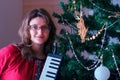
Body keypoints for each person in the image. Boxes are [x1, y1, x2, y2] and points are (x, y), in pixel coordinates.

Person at [0, 8, 56, 80]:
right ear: (27, 30)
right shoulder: (11, 52)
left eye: (44, 27)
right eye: (34, 27)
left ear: (50, 31)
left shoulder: (52, 62)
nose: (40, 32)